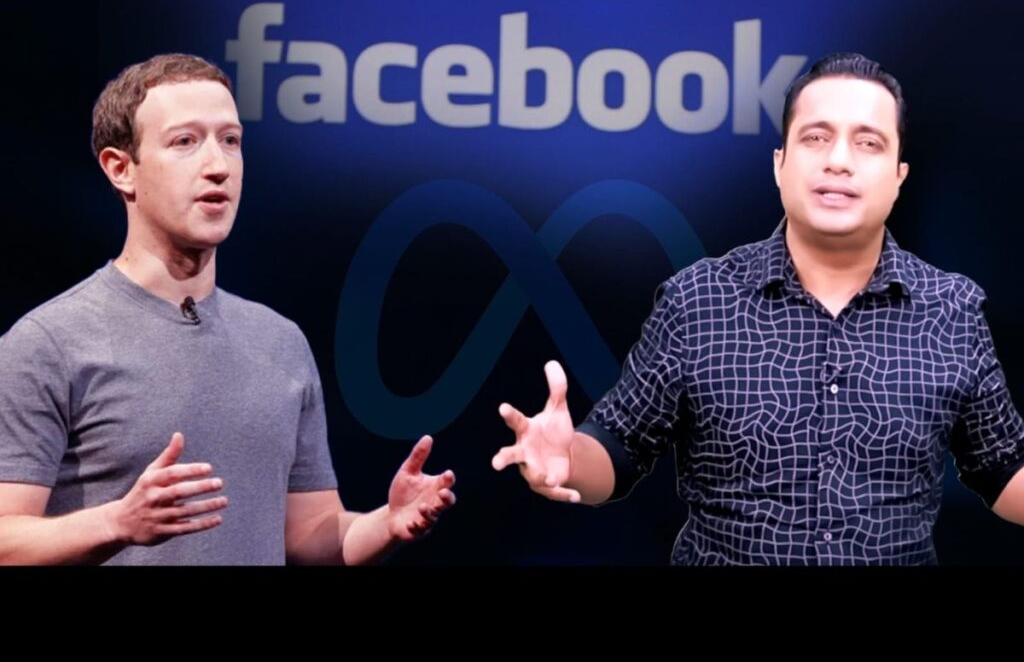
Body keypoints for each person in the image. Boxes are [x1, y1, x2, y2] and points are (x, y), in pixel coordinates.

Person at [493, 52, 1024, 565]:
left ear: (899, 176)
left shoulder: (951, 310)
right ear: (780, 164)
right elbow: (619, 448)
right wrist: (567, 459)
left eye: (868, 143)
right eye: (816, 137)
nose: (839, 160)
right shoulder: (698, 301)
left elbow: (1003, 472)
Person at [0, 53, 455, 565]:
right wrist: (115, 523)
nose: (217, 166)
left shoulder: (279, 341)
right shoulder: (48, 343)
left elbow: (311, 534)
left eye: (231, 140)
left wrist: (386, 523)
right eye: (185, 142)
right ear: (121, 169)